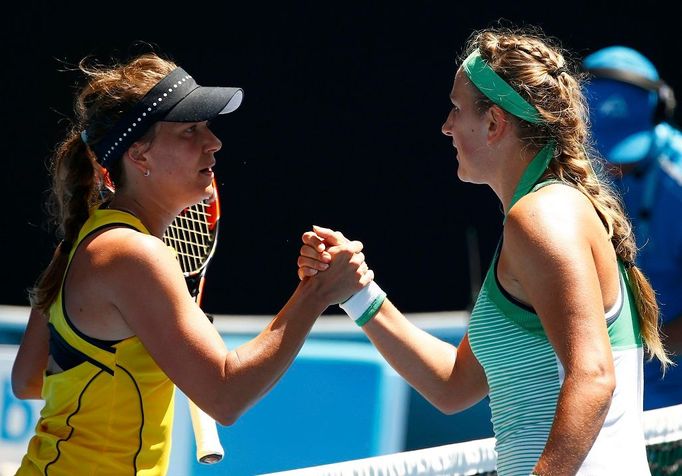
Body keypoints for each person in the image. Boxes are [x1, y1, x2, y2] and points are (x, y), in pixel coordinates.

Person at [297, 27, 671, 475]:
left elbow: (592, 377)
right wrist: (358, 292)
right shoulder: (542, 215)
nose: (446, 126)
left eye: (457, 109)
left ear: (494, 123)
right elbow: (454, 386)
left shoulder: (539, 219)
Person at [11, 50, 372, 475]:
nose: (213, 142)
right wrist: (316, 293)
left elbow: (29, 379)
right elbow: (225, 396)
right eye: (190, 130)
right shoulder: (134, 255)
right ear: (139, 155)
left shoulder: (85, 244)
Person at [582, 46, 682, 411]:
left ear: (661, 112)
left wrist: (635, 350)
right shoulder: (568, 170)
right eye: (600, 147)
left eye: (623, 149)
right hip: (610, 392)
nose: (610, 165)